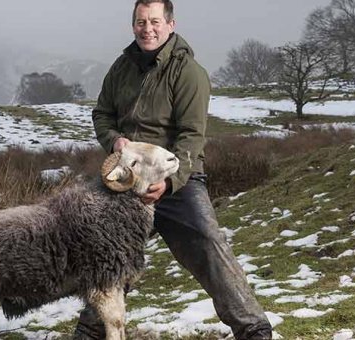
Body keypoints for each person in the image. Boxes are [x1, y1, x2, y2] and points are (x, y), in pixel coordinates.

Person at [73, 1, 273, 339]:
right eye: (140, 22)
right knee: (108, 253)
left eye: (154, 21)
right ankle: (92, 330)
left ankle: (253, 328)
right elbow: (102, 114)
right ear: (132, 25)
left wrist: (170, 182)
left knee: (208, 242)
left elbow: (192, 136)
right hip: (127, 178)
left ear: (170, 24)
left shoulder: (189, 72)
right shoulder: (120, 68)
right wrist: (115, 141)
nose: (147, 28)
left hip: (178, 178)